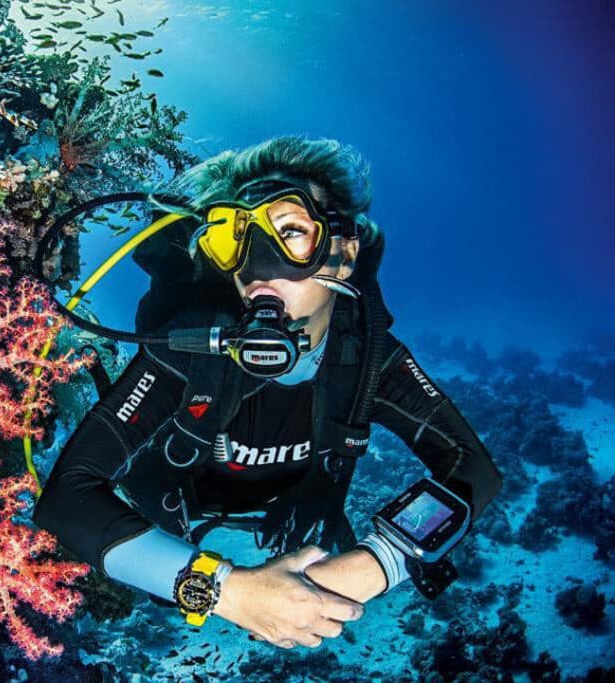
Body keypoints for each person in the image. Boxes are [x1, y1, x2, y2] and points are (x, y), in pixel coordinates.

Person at [31, 135, 503, 650]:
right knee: (162, 594)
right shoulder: (192, 346)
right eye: (236, 238)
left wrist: (375, 565)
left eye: (291, 232)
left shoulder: (368, 359)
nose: (257, 266)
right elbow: (66, 498)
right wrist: (226, 592)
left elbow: (473, 467)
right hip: (175, 507)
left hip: (297, 512)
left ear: (343, 254)